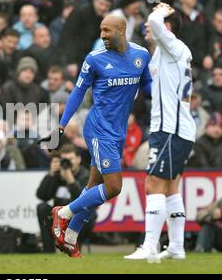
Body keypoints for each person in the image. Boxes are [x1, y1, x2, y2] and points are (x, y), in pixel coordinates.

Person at [41, 15, 152, 257]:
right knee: (113, 187)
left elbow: (148, 88)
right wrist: (60, 127)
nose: (102, 35)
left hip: (119, 131)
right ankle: (63, 213)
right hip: (98, 129)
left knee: (94, 186)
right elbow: (77, 93)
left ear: (122, 30)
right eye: (100, 29)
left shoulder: (141, 55)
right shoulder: (95, 59)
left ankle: (70, 237)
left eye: (107, 30)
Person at [125, 3, 196, 261]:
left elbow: (155, 22)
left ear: (166, 27)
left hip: (170, 129)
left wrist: (163, 8)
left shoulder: (173, 47)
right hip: (174, 128)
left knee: (152, 184)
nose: (147, 24)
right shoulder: (163, 52)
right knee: (170, 187)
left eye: (152, 21)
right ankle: (177, 247)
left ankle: (150, 246)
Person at [36, 144, 90, 253]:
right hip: (57, 217)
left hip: (75, 217)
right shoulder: (56, 174)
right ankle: (48, 249)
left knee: (90, 214)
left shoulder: (85, 174)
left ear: (78, 159)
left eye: (70, 159)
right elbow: (42, 196)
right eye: (64, 160)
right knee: (42, 208)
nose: (67, 163)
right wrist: (51, 174)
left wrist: (69, 177)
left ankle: (74, 247)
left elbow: (81, 201)